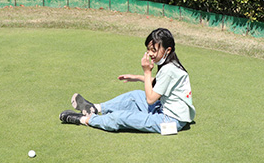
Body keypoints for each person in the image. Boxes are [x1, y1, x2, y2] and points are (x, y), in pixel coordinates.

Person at [59, 28, 195, 133]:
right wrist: (137, 78)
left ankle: (86, 119)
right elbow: (160, 83)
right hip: (164, 110)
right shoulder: (171, 66)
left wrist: (146, 72)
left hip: (171, 122)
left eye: (154, 50)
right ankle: (96, 108)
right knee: (134, 96)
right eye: (148, 50)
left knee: (121, 118)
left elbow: (151, 99)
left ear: (167, 50)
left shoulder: (169, 69)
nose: (150, 54)